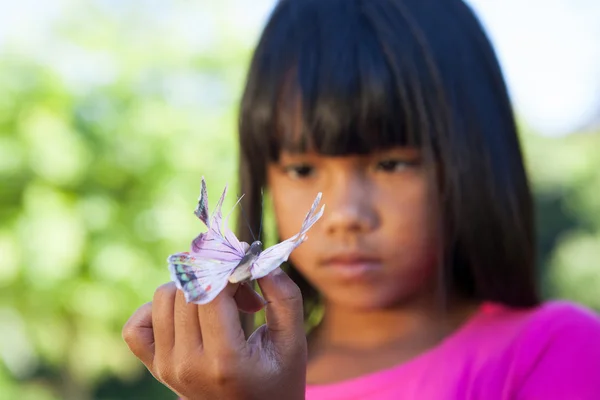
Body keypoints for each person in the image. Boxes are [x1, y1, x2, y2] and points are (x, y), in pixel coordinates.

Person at [122, 0, 600, 399]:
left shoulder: (557, 350)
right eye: (302, 169)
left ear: (473, 161)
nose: (346, 216)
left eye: (392, 163)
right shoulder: (235, 378)